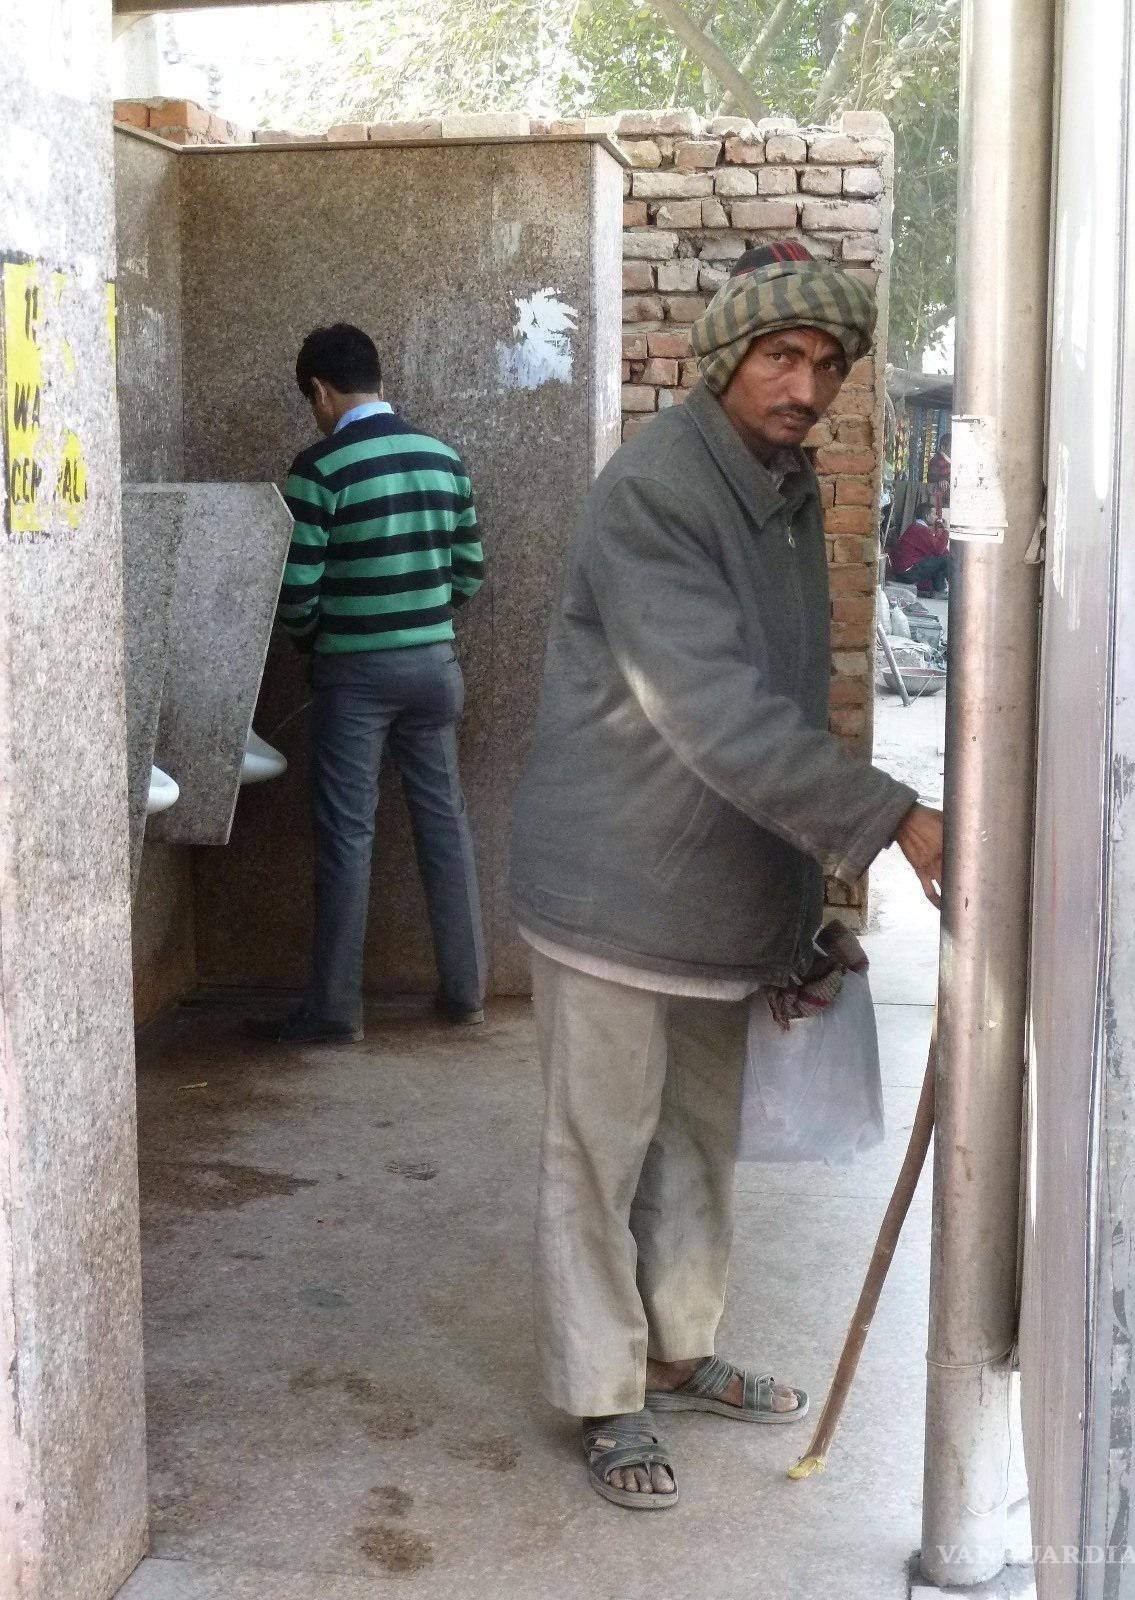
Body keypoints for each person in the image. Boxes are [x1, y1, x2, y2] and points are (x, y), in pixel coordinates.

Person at [509, 242, 944, 1510]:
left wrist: (801, 915)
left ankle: (682, 1350)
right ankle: (605, 1392)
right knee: (598, 1153)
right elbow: (705, 711)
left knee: (698, 1146)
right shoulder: (656, 490)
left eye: (827, 365)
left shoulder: (785, 483)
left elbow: (790, 703)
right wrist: (892, 820)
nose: (805, 386)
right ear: (725, 358)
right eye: (781, 356)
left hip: (713, 897)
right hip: (613, 886)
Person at [248, 323, 487, 1046]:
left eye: (310, 401)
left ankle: (335, 1010)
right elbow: (469, 573)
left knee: (348, 837)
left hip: (355, 677)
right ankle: (467, 992)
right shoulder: (444, 460)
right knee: (445, 826)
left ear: (320, 390)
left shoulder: (319, 469)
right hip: (435, 669)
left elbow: (297, 594)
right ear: (376, 380)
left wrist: (319, 643)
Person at [890, 496, 951, 596]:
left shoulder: (917, 527)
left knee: (942, 558)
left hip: (903, 571)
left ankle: (941, 590)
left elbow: (938, 549)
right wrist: (946, 530)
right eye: (934, 514)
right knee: (945, 559)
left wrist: (941, 533)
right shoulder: (920, 529)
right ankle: (952, 591)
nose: (936, 517)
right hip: (907, 572)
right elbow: (938, 550)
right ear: (927, 516)